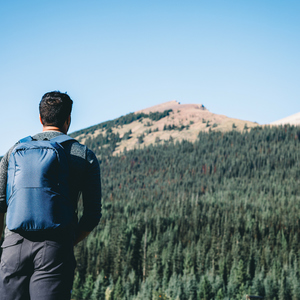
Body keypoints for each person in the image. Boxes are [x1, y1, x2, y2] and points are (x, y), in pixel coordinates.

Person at [0, 91, 102, 300]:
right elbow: (92, 215)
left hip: (12, 246)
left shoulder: (13, 151)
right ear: (68, 120)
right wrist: (66, 241)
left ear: (40, 119)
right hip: (55, 247)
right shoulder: (83, 155)